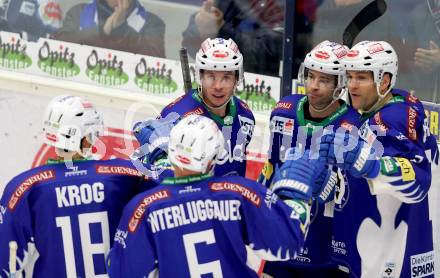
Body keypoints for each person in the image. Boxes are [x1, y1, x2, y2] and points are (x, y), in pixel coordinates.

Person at [107, 114, 325, 277]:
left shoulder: (144, 206)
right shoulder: (240, 192)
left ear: (172, 152)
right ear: (214, 158)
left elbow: (120, 271)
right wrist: (296, 192)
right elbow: (287, 243)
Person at [318, 40, 439, 277]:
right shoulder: (389, 105)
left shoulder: (393, 118)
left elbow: (418, 180)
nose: (352, 85)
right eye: (350, 76)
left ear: (384, 81)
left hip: (392, 258)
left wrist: (373, 165)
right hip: (375, 250)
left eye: (361, 78)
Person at [0, 95, 155, 277]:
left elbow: (6, 263)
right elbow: (170, 187)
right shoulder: (123, 175)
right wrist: (159, 154)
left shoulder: (24, 187)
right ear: (86, 138)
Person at [259, 40, 360, 277]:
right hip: (282, 246)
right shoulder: (283, 111)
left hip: (328, 257)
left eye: (323, 80)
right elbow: (270, 170)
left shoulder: (355, 125)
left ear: (341, 84)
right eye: (310, 76)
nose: (313, 86)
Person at [137, 37, 255, 177]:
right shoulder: (177, 115)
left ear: (237, 78)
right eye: (211, 76)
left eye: (226, 77)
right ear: (200, 76)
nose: (218, 86)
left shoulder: (245, 115)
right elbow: (151, 174)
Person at [182, 0, 316, 76]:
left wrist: (220, 29)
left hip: (265, 92)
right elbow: (191, 45)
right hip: (218, 83)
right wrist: (202, 28)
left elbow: (267, 53)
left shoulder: (286, 5)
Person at [52, 0, 165, 57]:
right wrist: (103, 31)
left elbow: (156, 61)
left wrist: (123, 30)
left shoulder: (152, 23)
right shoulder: (78, 12)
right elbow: (56, 48)